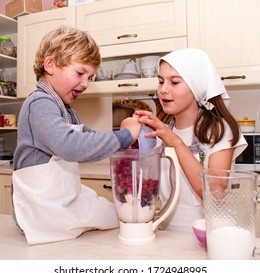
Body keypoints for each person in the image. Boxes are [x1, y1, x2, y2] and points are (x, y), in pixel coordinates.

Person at [11, 26, 141, 245]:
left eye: (90, 77)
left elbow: (89, 139)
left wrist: (122, 140)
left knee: (118, 213)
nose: (85, 84)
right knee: (119, 217)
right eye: (80, 73)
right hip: (41, 206)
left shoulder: (65, 109)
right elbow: (71, 147)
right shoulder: (39, 103)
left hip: (60, 197)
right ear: (50, 65)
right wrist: (125, 136)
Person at [135, 48, 247, 233]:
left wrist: (177, 143)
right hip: (164, 233)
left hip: (208, 235)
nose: (163, 90)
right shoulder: (163, 132)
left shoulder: (219, 130)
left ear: (196, 85)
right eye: (161, 81)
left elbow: (215, 193)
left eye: (175, 82)